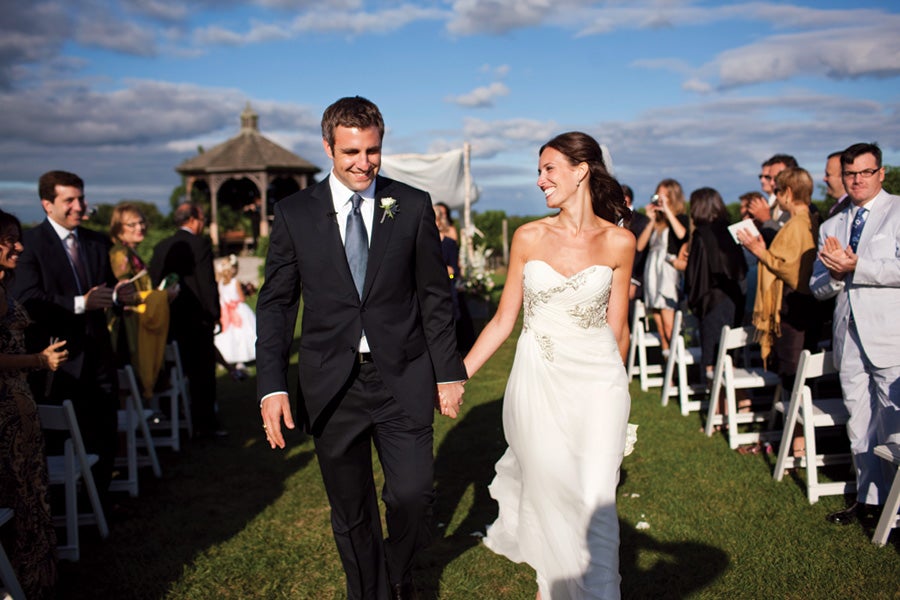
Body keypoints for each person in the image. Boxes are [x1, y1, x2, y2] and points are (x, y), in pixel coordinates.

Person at [255, 96, 466, 600]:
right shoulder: (293, 213)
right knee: (350, 510)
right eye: (351, 151)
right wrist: (271, 387)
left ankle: (395, 573)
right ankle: (369, 592)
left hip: (403, 377)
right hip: (332, 384)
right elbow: (277, 305)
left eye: (372, 151)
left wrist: (448, 372)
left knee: (413, 496)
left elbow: (435, 297)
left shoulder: (412, 205)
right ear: (328, 146)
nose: (363, 163)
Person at [463, 131, 634, 599]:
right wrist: (456, 378)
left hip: (600, 387)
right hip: (538, 383)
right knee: (553, 492)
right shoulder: (529, 236)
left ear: (581, 170)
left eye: (549, 169)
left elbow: (618, 330)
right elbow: (502, 321)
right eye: (539, 171)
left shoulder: (620, 242)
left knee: (596, 498)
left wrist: (616, 396)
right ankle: (552, 586)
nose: (540, 180)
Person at [9, 170, 136, 502]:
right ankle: (68, 505)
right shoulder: (31, 244)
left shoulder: (95, 241)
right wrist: (80, 303)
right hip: (60, 360)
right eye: (70, 200)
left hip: (99, 352)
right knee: (66, 436)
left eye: (81, 198)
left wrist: (120, 296)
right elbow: (28, 299)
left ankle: (101, 499)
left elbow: (106, 288)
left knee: (106, 427)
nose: (80, 206)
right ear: (47, 204)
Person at [810, 142, 900, 527]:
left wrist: (857, 265)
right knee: (858, 419)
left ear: (881, 173)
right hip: (848, 335)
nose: (857, 180)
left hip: (890, 334)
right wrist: (833, 274)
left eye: (865, 172)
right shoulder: (832, 224)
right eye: (850, 174)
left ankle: (897, 511)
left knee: (893, 424)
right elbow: (817, 287)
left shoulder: (897, 211)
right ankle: (869, 500)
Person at [0, 209, 68, 600]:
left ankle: (32, 580)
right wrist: (38, 361)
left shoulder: (4, 285)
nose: (19, 246)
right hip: (5, 409)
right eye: (9, 239)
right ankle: (22, 583)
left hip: (20, 405)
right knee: (19, 493)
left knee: (29, 491)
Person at [739, 167, 821, 456]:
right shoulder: (800, 221)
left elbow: (796, 272)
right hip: (793, 309)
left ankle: (797, 445)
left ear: (786, 193)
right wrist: (764, 248)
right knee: (791, 374)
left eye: (777, 192)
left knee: (793, 374)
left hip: (794, 310)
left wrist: (760, 253)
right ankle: (793, 440)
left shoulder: (799, 224)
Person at [149, 203, 223, 438]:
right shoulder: (199, 244)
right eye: (202, 218)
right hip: (196, 320)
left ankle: (175, 416)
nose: (203, 223)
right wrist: (213, 314)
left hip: (169, 321)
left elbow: (155, 282)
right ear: (193, 219)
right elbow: (206, 282)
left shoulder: (161, 246)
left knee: (174, 370)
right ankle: (205, 424)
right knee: (202, 374)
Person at [108, 202, 173, 397]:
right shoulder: (120, 253)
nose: (140, 227)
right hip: (129, 331)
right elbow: (124, 295)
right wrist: (162, 296)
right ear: (119, 228)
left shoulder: (131, 252)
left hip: (139, 325)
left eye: (142, 222)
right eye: (132, 224)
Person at [684, 188, 747, 375]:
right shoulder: (729, 230)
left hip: (711, 301)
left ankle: (719, 404)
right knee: (729, 355)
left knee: (712, 360)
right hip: (733, 298)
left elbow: (696, 275)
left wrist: (694, 300)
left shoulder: (702, 235)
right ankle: (738, 403)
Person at [635, 178, 689, 351]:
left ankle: (677, 361)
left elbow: (682, 235)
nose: (659, 199)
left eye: (664, 196)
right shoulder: (656, 222)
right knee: (659, 323)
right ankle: (669, 370)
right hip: (652, 273)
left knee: (669, 324)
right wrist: (651, 220)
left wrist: (667, 211)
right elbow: (640, 246)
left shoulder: (680, 219)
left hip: (667, 272)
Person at [435, 201, 475, 353]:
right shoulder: (423, 242)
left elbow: (454, 271)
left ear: (439, 220)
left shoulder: (449, 243)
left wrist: (448, 274)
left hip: (447, 288)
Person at [213, 254, 255, 378]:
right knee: (240, 334)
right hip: (237, 310)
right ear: (234, 269)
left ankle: (224, 360)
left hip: (225, 310)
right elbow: (241, 297)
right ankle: (240, 360)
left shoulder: (220, 282)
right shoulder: (235, 282)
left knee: (225, 336)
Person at [750, 154, 798, 243]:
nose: (771, 183)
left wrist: (766, 220)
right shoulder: (775, 206)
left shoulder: (804, 207)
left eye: (776, 178)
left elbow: (791, 242)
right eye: (770, 178)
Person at [623, 184, 650, 319]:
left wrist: (634, 281)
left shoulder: (642, 221)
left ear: (626, 199)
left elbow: (640, 254)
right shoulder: (611, 219)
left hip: (635, 278)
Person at [824, 150, 850, 218]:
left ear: (843, 177)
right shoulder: (840, 207)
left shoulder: (849, 209)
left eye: (828, 175)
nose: (824, 179)